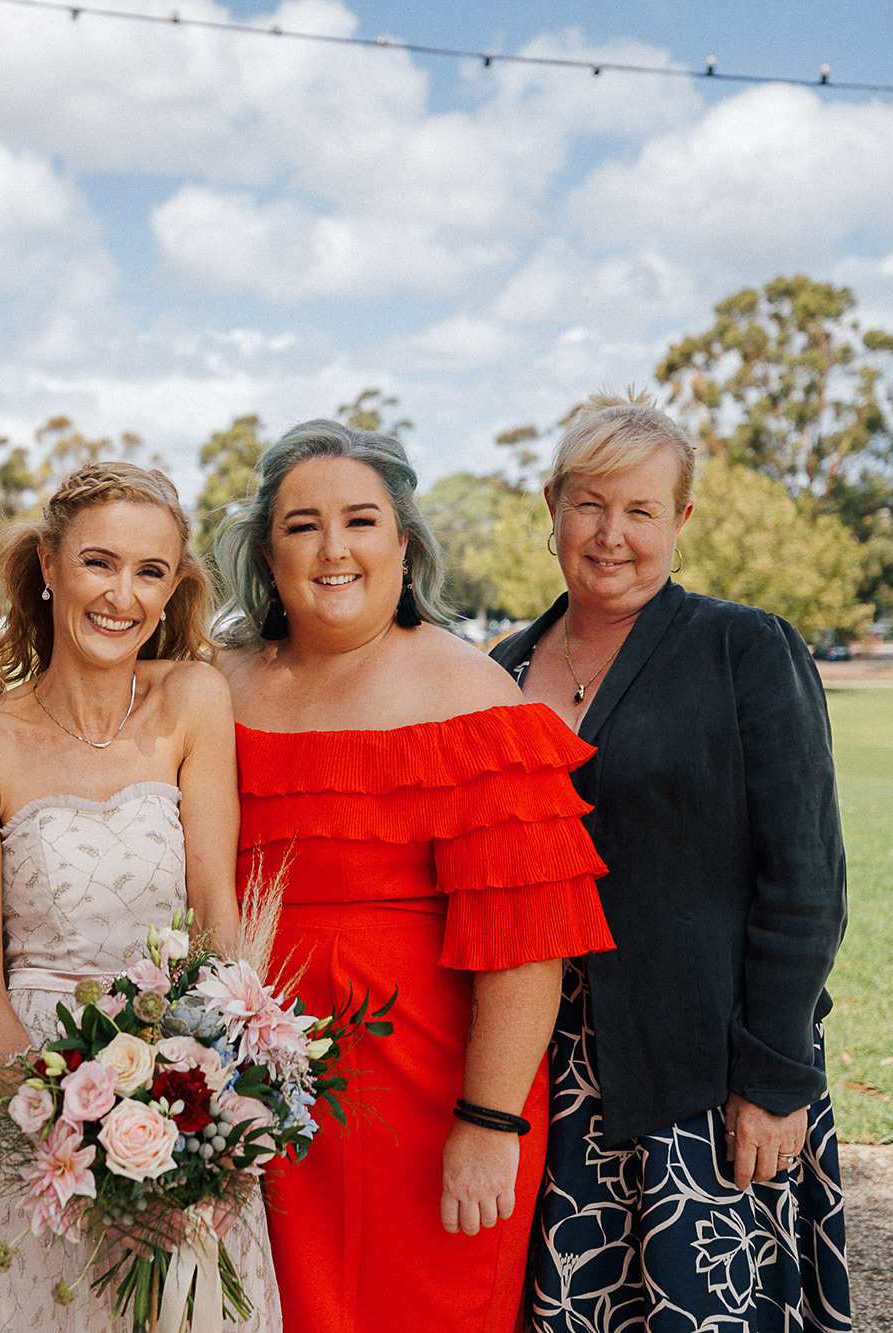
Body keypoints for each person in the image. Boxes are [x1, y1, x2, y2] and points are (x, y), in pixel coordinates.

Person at [213, 419, 614, 1333]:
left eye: (360, 519)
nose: (333, 547)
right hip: (244, 1090)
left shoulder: (471, 695)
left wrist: (489, 1123)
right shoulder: (212, 685)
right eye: (301, 524)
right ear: (266, 553)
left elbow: (529, 947)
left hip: (423, 1100)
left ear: (403, 541)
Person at [491, 393, 851, 1332]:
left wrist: (773, 1079)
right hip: (543, 1071)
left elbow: (805, 878)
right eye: (590, 504)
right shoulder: (496, 668)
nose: (612, 535)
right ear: (552, 507)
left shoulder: (743, 646)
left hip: (702, 1070)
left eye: (641, 510)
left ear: (680, 520)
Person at [0, 462, 280, 1333]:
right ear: (48, 565)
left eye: (150, 571)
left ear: (172, 590)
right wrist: (70, 1137)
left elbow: (215, 916)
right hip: (37, 1104)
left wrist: (207, 1121)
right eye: (99, 562)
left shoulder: (194, 699)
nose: (121, 594)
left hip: (187, 1090)